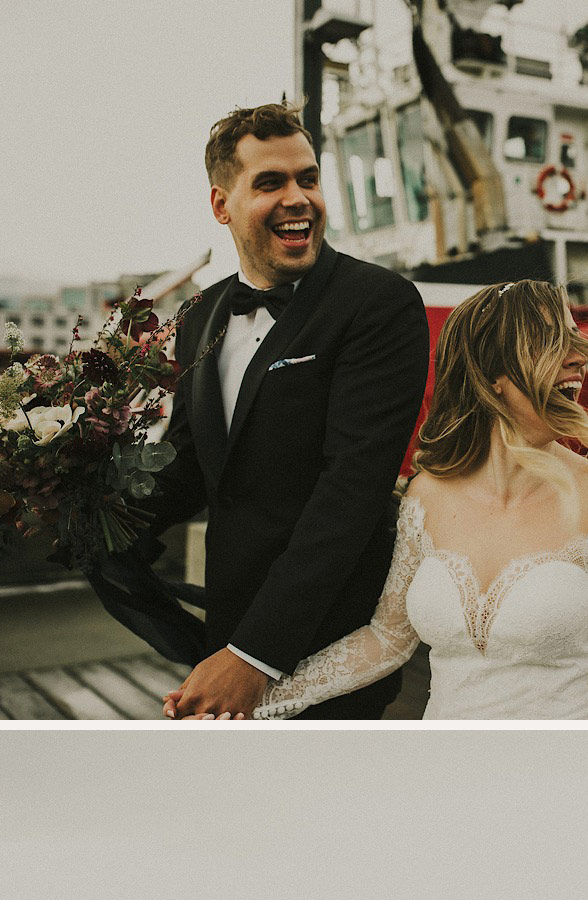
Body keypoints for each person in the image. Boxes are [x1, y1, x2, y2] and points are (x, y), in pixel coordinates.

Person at [246, 281, 588, 721]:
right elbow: (388, 639)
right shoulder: (427, 494)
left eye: (574, 340)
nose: (577, 358)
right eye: (551, 342)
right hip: (444, 773)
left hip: (562, 775)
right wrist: (258, 700)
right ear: (493, 372)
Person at [135, 101, 431, 720]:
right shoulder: (199, 316)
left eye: (309, 178)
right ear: (222, 204)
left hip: (333, 646)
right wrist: (77, 505)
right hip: (225, 632)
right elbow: (188, 464)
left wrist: (255, 655)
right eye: (270, 182)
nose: (298, 198)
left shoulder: (379, 303)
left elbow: (350, 491)